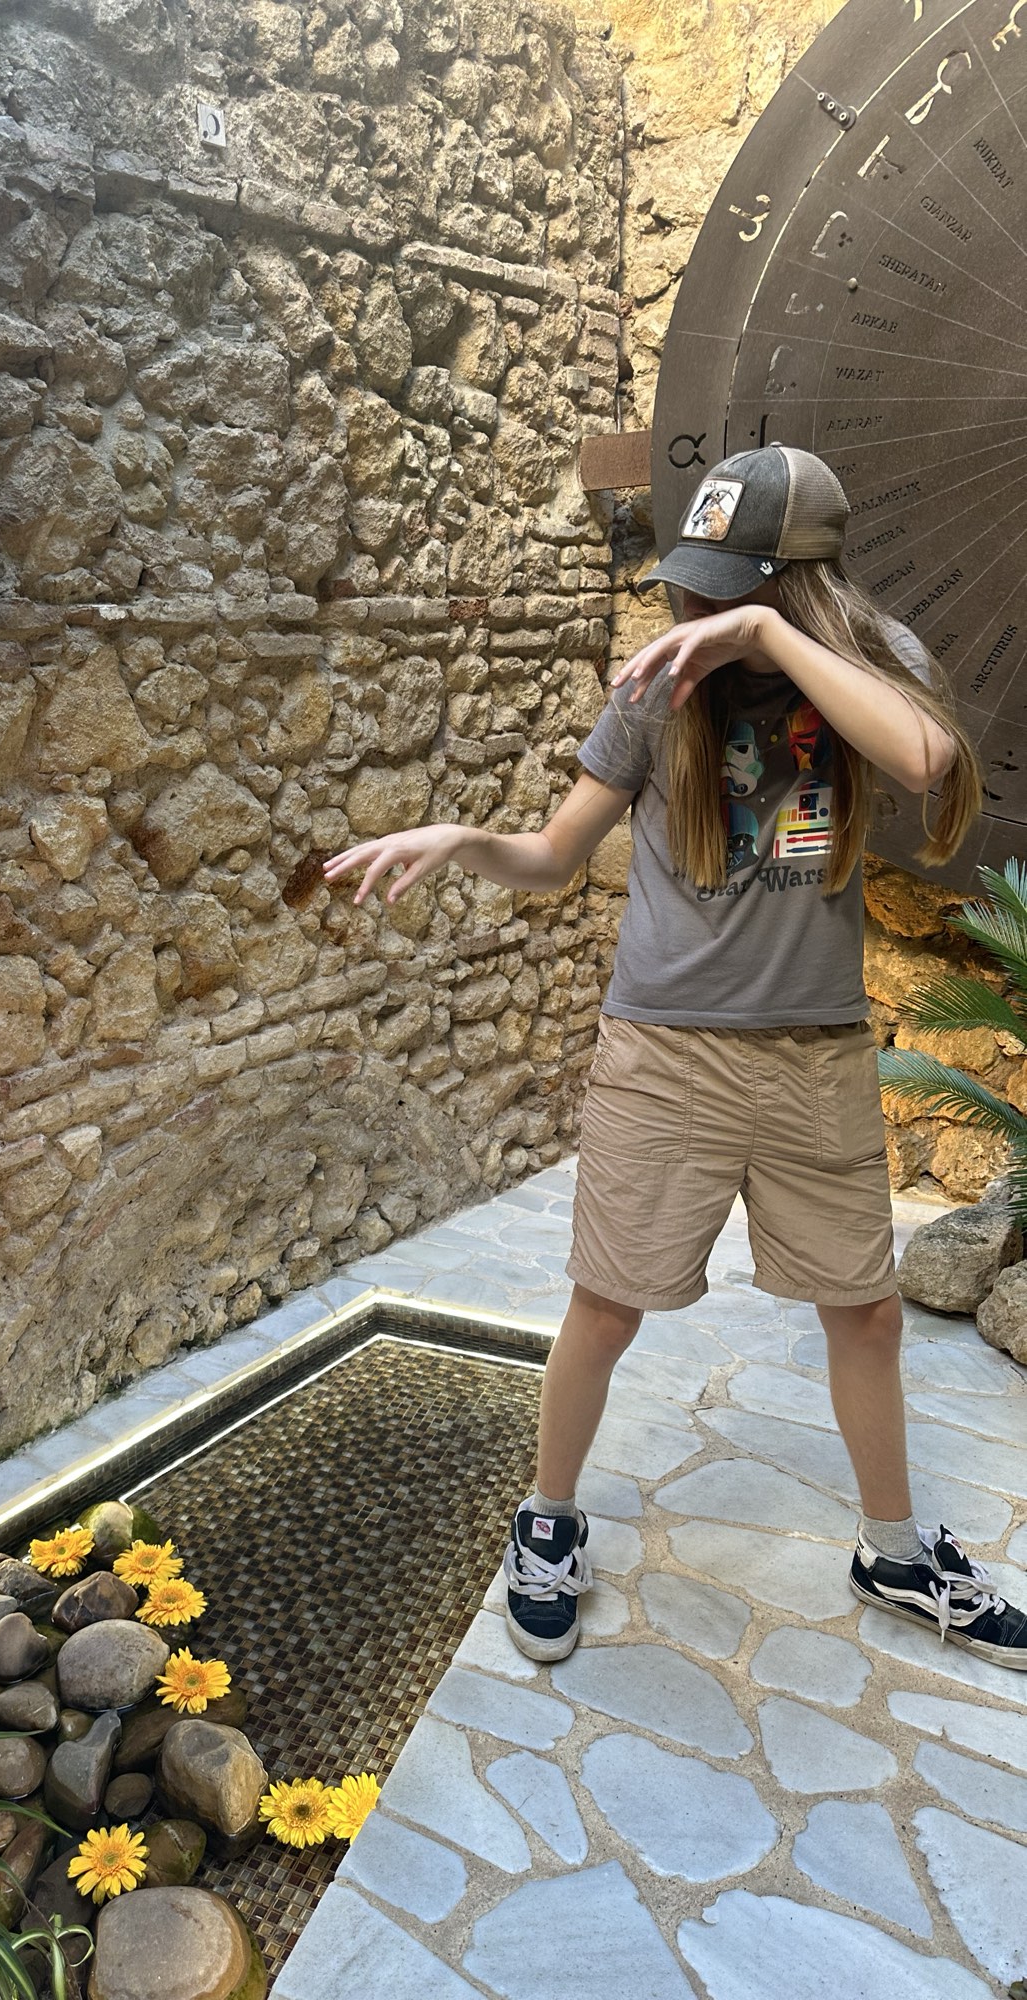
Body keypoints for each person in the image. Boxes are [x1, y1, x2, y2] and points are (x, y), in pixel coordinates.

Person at [324, 443, 1027, 1667]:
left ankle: (894, 1549)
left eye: (730, 585)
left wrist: (769, 636)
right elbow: (553, 856)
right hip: (664, 1053)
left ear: (795, 581)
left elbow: (923, 761)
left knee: (866, 1312)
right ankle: (548, 1517)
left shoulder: (869, 665)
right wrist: (462, 839)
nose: (695, 602)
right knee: (606, 1305)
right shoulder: (662, 686)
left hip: (813, 1052)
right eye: (698, 580)